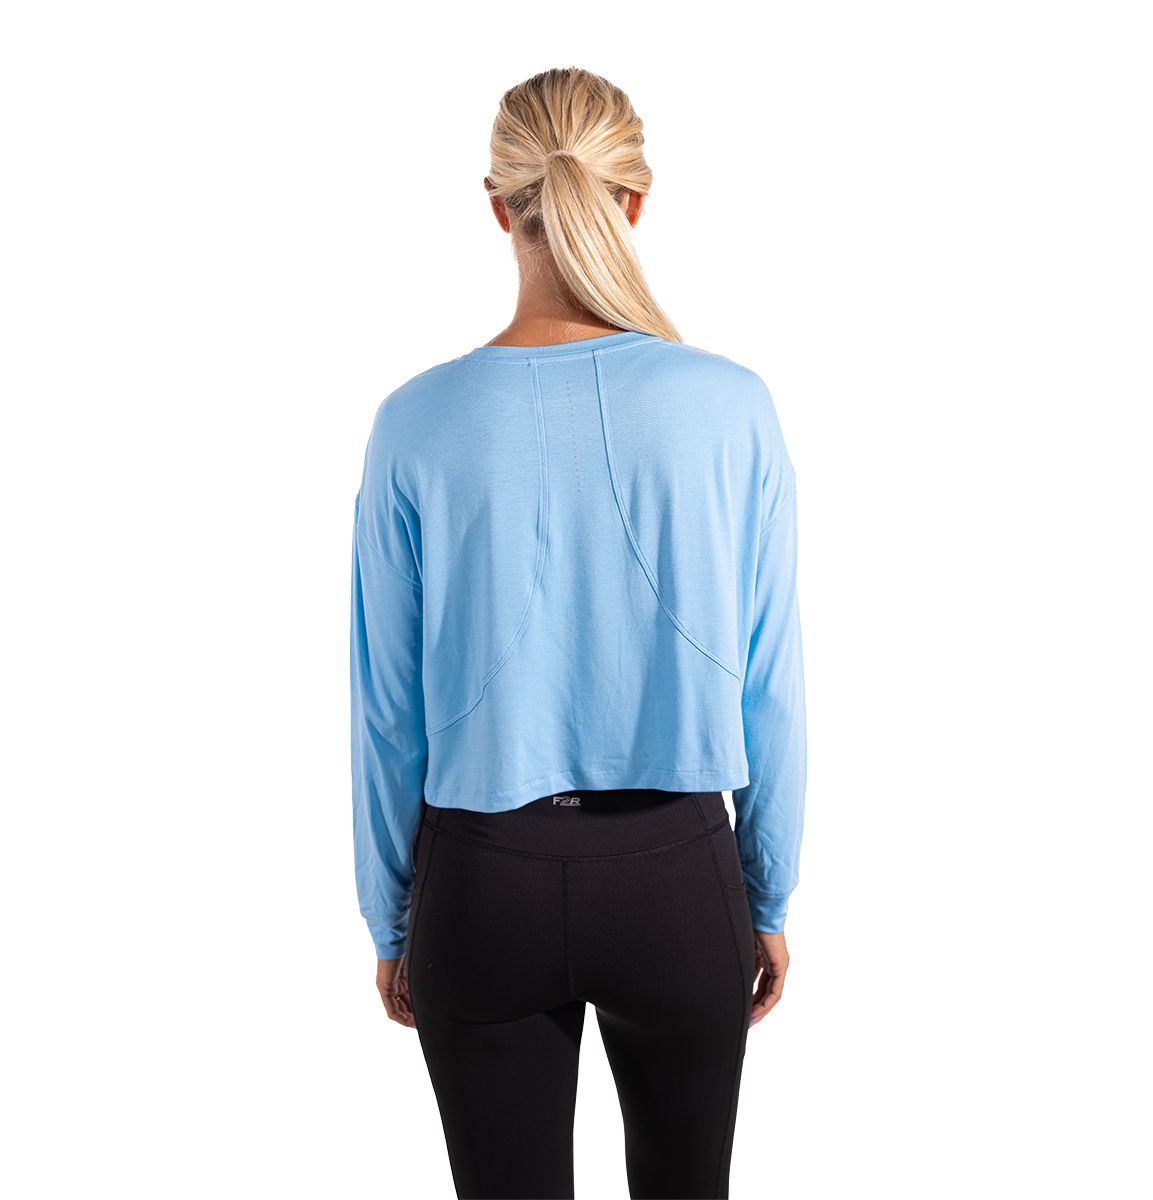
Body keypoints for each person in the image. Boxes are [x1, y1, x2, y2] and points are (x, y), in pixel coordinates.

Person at [350, 67, 804, 1200]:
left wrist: (389, 917)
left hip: (480, 884)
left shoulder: (417, 421)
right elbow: (772, 686)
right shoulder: (733, 406)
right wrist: (770, 894)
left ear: (497, 204)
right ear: (635, 201)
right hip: (679, 878)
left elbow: (388, 709)